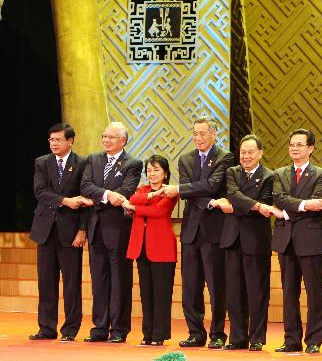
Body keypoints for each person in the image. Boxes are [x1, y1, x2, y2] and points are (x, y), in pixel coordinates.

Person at [163, 116, 234, 349]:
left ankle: (218, 334)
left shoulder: (225, 157)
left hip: (214, 231)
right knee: (191, 286)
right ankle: (195, 333)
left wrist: (183, 189)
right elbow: (188, 193)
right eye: (195, 133)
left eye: (203, 133)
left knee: (216, 285)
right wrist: (209, 201)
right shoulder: (186, 159)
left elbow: (213, 185)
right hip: (191, 231)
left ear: (214, 134)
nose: (198, 138)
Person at [29, 123, 93, 341]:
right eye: (51, 140)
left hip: (71, 231)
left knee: (72, 282)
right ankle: (46, 328)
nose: (54, 143)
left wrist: (83, 230)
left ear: (70, 141)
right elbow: (40, 191)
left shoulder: (82, 163)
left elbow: (86, 199)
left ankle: (70, 330)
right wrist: (65, 200)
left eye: (58, 139)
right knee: (46, 282)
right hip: (45, 229)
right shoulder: (41, 162)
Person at [80, 121, 143, 343]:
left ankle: (118, 329)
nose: (106, 140)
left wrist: (99, 197)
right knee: (99, 280)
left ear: (123, 141)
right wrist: (108, 195)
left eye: (111, 137)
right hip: (96, 228)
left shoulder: (133, 163)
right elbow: (85, 186)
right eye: (104, 136)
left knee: (120, 280)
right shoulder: (93, 159)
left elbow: (126, 191)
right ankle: (99, 328)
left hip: (119, 229)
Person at [271, 128, 322, 354]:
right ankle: (291, 339)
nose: (294, 148)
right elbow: (278, 198)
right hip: (286, 240)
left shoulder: (321, 174)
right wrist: (303, 205)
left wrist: (292, 206)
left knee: (315, 293)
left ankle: (314, 340)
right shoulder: (279, 173)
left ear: (310, 148)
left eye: (300, 145)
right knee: (289, 293)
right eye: (292, 144)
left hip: (311, 240)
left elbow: (318, 202)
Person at [217, 134, 274, 351]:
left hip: (256, 240)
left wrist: (235, 207)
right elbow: (233, 194)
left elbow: (265, 203)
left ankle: (257, 337)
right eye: (243, 152)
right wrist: (256, 206)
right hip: (232, 238)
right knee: (234, 291)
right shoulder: (232, 172)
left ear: (260, 153)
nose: (246, 156)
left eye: (251, 152)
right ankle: (237, 337)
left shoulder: (269, 176)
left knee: (257, 291)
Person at [123, 155, 178, 346]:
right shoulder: (143, 190)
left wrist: (135, 208)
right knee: (146, 294)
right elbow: (133, 198)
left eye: (156, 170)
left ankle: (159, 335)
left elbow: (159, 212)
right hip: (141, 247)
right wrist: (152, 196)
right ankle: (147, 334)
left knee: (161, 294)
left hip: (162, 248)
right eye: (149, 170)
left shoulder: (170, 192)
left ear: (165, 173)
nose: (152, 174)